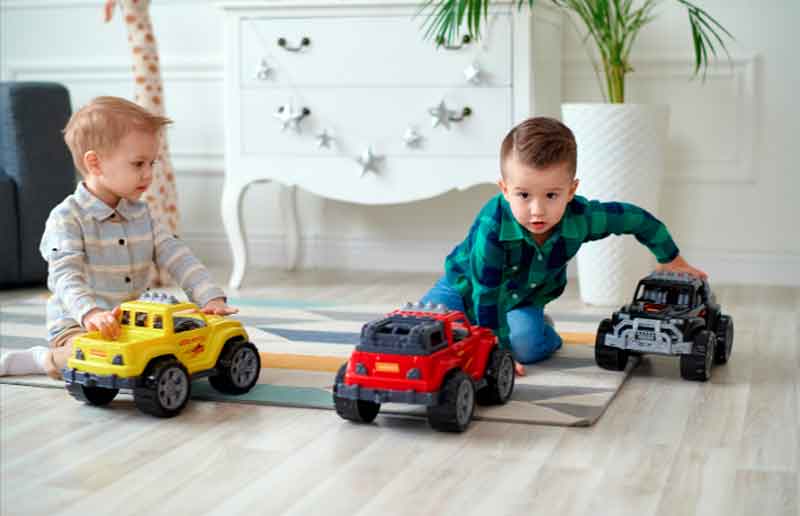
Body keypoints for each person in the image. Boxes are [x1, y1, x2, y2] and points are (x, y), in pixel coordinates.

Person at [420, 117, 706, 375]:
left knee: (526, 348)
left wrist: (672, 259)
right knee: (427, 331)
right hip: (464, 286)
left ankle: (544, 330)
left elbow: (637, 220)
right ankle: (473, 331)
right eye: (523, 195)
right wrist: (494, 351)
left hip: (522, 299)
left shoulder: (580, 218)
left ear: (571, 190)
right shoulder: (492, 227)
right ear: (505, 189)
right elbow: (486, 294)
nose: (537, 210)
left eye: (551, 195)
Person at [0, 96, 236, 379]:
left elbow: (177, 255)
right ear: (95, 163)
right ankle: (42, 360)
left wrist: (209, 297)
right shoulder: (67, 218)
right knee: (87, 358)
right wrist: (90, 313)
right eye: (138, 164)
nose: (149, 174)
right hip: (79, 322)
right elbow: (64, 276)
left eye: (152, 163)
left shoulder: (142, 214)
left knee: (176, 344)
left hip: (132, 324)